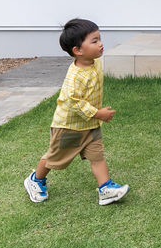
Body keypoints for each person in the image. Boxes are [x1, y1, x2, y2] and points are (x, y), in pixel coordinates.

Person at [24, 18, 130, 206]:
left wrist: (95, 116)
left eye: (99, 39)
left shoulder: (94, 62)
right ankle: (35, 180)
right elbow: (75, 102)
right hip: (68, 127)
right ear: (78, 51)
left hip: (89, 126)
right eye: (94, 41)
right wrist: (98, 113)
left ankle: (105, 189)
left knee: (97, 156)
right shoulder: (75, 77)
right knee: (54, 158)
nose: (101, 44)